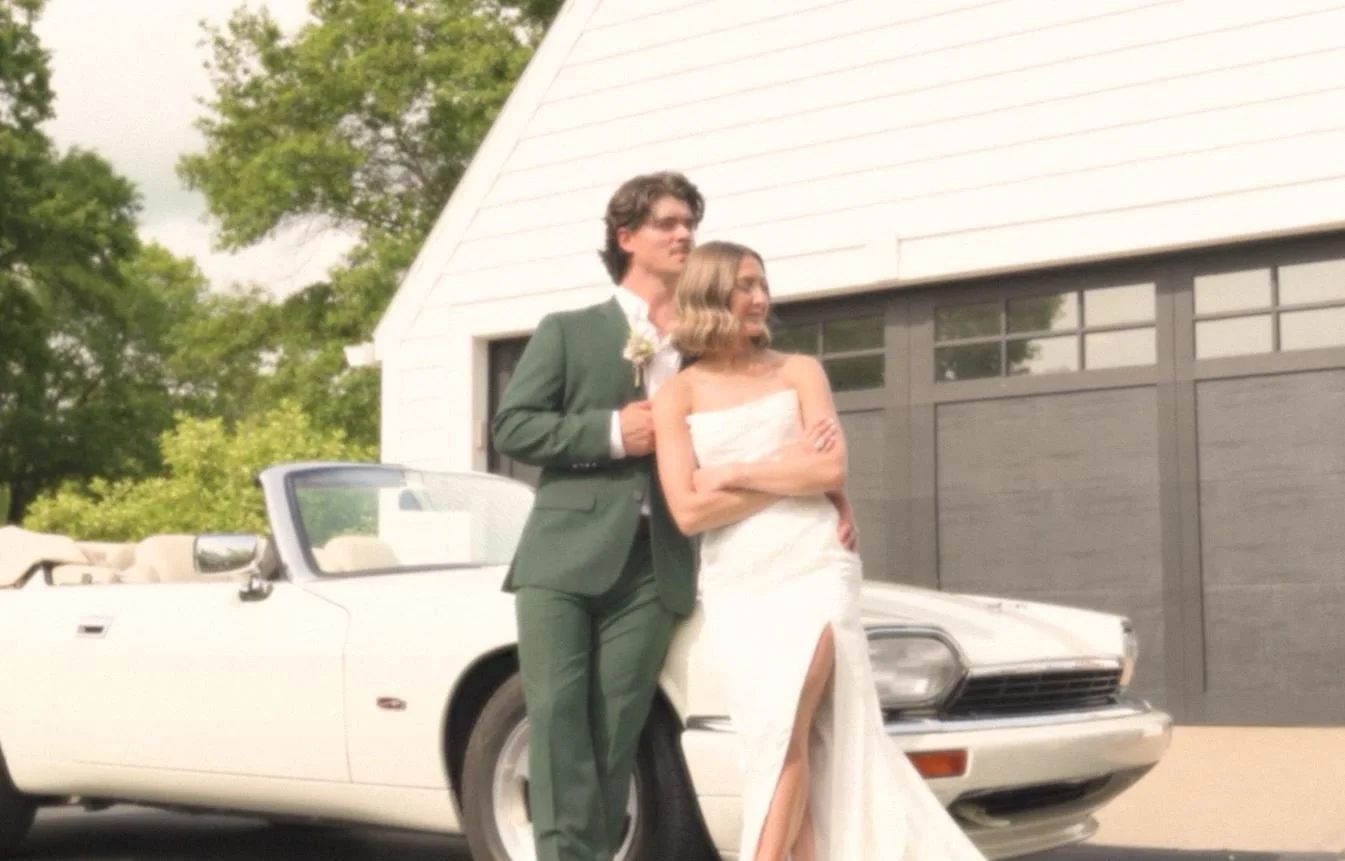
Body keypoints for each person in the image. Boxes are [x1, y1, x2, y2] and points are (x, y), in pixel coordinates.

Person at [490, 173, 860, 861]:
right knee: (558, 717)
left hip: (659, 562)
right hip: (562, 558)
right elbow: (511, 427)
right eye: (667, 222)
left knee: (616, 726)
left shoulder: (708, 348)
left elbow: (777, 436)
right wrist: (610, 431)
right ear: (626, 237)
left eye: (690, 222)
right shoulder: (569, 331)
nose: (684, 233)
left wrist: (833, 497)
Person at [651, 240, 988, 861]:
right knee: (777, 734)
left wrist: (733, 472)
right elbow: (688, 511)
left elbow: (830, 469)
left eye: (763, 284)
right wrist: (788, 469)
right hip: (738, 581)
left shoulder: (799, 371)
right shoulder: (678, 394)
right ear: (710, 293)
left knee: (788, 725)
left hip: (813, 565)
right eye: (746, 286)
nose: (761, 298)